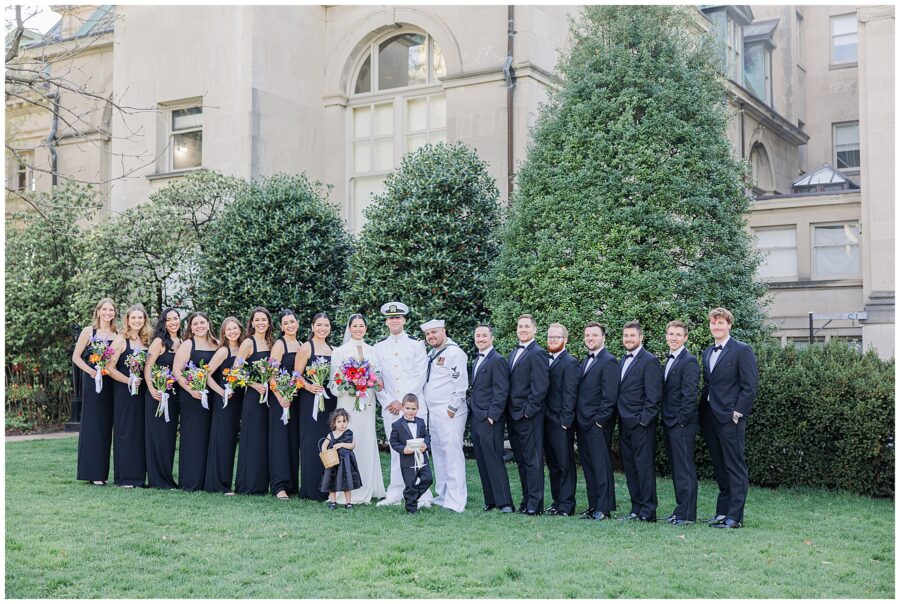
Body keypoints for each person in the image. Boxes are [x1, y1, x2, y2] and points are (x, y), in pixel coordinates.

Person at [700, 307, 758, 530]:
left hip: (730, 418)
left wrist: (738, 412)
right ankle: (722, 512)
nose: (717, 326)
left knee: (735, 467)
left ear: (729, 325)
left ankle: (735, 516)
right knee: (720, 467)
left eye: (721, 323)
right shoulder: (707, 352)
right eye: (714, 323)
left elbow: (750, 386)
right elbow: (709, 385)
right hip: (711, 418)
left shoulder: (742, 350)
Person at [373, 302, 431, 508]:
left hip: (413, 407)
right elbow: (376, 378)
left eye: (398, 317)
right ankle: (396, 491)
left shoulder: (416, 344)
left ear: (404, 320)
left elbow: (420, 374)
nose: (394, 320)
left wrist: (404, 403)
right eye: (390, 318)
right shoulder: (378, 347)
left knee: (417, 448)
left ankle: (421, 493)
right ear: (386, 321)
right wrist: (390, 401)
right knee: (396, 448)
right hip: (391, 408)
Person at [328, 314, 386, 505]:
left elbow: (377, 378)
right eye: (355, 325)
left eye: (362, 326)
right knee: (347, 439)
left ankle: (369, 485)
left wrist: (369, 383)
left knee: (366, 439)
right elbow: (333, 382)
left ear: (366, 329)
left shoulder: (373, 350)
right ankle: (344, 487)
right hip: (347, 403)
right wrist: (350, 384)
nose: (359, 329)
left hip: (367, 403)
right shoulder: (340, 351)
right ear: (349, 328)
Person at [420, 319, 469, 513]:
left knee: (452, 454)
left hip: (449, 411)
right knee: (439, 454)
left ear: (444, 331)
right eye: (428, 334)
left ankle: (456, 500)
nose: (431, 336)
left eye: (434, 332)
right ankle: (443, 495)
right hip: (434, 411)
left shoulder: (454, 353)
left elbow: (460, 383)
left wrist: (452, 408)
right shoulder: (433, 353)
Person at [617, 321, 663, 522]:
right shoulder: (622, 361)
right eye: (626, 336)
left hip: (641, 426)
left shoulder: (649, 361)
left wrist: (643, 421)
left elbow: (654, 397)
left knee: (644, 469)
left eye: (632, 336)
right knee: (631, 468)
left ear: (641, 338)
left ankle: (648, 510)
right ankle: (636, 508)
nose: (628, 339)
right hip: (624, 424)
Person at [574, 322, 619, 521]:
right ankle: (594, 506)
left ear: (603, 338)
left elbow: (610, 396)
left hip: (597, 424)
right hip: (583, 423)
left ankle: (604, 508)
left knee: (601, 466)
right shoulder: (585, 361)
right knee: (589, 465)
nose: (590, 338)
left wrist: (600, 421)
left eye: (594, 335)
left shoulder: (609, 361)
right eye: (587, 335)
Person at [506, 314, 549, 515]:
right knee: (522, 460)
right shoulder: (513, 352)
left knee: (532, 460)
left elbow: (540, 387)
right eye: (520, 326)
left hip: (528, 416)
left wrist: (527, 412)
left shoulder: (538, 353)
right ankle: (525, 500)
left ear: (534, 330)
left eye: (526, 326)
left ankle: (535, 504)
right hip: (513, 416)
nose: (522, 329)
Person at [73, 298, 119, 485]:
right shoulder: (88, 331)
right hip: (93, 382)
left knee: (108, 426)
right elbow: (76, 357)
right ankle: (93, 473)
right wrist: (90, 370)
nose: (108, 313)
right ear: (98, 311)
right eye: (105, 309)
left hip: (111, 382)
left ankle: (106, 472)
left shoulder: (117, 334)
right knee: (94, 425)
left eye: (111, 310)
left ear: (115, 313)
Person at [468, 324, 513, 513]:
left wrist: (493, 416)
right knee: (482, 460)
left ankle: (505, 503)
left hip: (489, 419)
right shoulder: (476, 360)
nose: (480, 339)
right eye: (478, 335)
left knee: (494, 459)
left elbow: (501, 390)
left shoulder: (497, 360)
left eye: (484, 335)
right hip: (476, 417)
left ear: (492, 338)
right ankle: (491, 500)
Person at [107, 303, 152, 488]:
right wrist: (128, 381)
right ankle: (125, 477)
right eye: (133, 317)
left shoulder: (147, 340)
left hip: (144, 391)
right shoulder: (120, 340)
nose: (137, 320)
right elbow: (109, 368)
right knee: (126, 431)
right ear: (127, 320)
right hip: (125, 391)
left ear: (145, 320)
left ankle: (139, 477)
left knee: (141, 432)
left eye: (140, 317)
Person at [172, 311, 218, 492]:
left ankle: (207, 480)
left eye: (202, 322)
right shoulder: (188, 345)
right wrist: (191, 390)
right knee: (193, 437)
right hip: (191, 397)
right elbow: (177, 371)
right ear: (191, 327)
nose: (200, 326)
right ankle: (190, 481)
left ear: (208, 323)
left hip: (211, 397)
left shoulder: (216, 344)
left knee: (209, 437)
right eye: (195, 323)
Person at [661, 320, 701, 526]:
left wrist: (680, 421)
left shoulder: (689, 361)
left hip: (682, 424)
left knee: (684, 468)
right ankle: (679, 510)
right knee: (677, 468)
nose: (674, 338)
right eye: (671, 334)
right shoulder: (670, 359)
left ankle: (687, 515)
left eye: (678, 334)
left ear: (685, 338)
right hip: (670, 422)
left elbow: (690, 395)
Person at [294, 312, 337, 501]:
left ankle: (326, 487)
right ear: (312, 327)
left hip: (329, 401)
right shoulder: (306, 347)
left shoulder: (333, 349)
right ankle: (310, 489)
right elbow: (296, 375)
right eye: (319, 325)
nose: (322, 328)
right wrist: (309, 386)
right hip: (310, 399)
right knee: (311, 442)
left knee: (328, 442)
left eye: (326, 325)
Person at [235, 307, 274, 495]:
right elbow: (236, 371)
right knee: (253, 438)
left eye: (263, 319)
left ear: (268, 322)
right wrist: (253, 383)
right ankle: (248, 484)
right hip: (253, 396)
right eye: (257, 320)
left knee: (265, 438)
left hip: (270, 396)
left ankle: (262, 483)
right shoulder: (248, 343)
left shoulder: (271, 342)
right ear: (251, 323)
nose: (260, 323)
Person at [204, 316, 246, 494]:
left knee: (235, 441)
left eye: (235, 328)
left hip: (242, 400)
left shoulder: (244, 348)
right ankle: (218, 483)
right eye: (228, 329)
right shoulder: (223, 351)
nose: (232, 332)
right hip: (225, 401)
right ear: (223, 333)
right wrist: (221, 392)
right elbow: (205, 375)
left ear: (240, 329)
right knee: (223, 441)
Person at [543, 323, 580, 516]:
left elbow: (570, 393)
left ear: (565, 340)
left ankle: (567, 504)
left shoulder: (570, 362)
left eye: (556, 337)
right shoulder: (544, 359)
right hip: (545, 420)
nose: (552, 340)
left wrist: (566, 420)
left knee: (565, 463)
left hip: (560, 421)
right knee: (553, 463)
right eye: (550, 337)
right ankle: (557, 501)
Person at [144, 308, 182, 489]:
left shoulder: (182, 342)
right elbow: (148, 368)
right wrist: (152, 389)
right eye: (169, 319)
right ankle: (157, 480)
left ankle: (167, 478)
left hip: (174, 397)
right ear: (164, 322)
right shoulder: (159, 342)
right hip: (157, 395)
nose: (173, 322)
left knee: (168, 439)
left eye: (176, 318)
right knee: (157, 437)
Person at [268, 309, 302, 500]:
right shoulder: (279, 346)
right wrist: (280, 396)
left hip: (295, 399)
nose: (290, 325)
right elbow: (271, 375)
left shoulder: (301, 344)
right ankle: (279, 486)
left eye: (292, 322)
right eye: (286, 323)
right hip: (280, 399)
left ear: (297, 323)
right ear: (281, 326)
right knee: (280, 441)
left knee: (292, 441)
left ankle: (291, 484)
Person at [389, 394, 433, 514]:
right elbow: (393, 442)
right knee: (410, 484)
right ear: (402, 407)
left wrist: (426, 444)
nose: (410, 411)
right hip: (407, 461)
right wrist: (403, 449)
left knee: (428, 479)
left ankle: (410, 498)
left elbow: (426, 436)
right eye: (408, 408)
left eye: (413, 409)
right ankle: (411, 509)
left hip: (421, 458)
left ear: (418, 409)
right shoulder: (397, 425)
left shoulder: (421, 422)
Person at [320, 408, 362, 509]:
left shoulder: (348, 433)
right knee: (332, 481)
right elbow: (324, 445)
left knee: (346, 482)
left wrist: (341, 444)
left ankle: (348, 502)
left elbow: (352, 446)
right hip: (333, 462)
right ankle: (333, 501)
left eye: (344, 421)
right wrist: (326, 454)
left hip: (346, 462)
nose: (342, 424)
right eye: (339, 421)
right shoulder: (331, 435)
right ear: (334, 423)